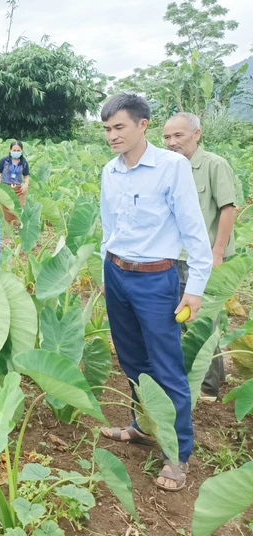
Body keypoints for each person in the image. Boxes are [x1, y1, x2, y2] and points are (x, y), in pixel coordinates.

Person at [97, 94, 212, 492]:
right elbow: (107, 226)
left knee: (166, 367)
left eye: (119, 127)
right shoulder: (110, 171)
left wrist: (194, 289)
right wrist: (104, 272)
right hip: (117, 273)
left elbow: (194, 230)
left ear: (143, 125)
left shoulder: (171, 167)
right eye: (107, 129)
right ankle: (142, 427)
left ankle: (177, 454)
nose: (112, 136)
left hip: (155, 279)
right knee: (131, 360)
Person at [164, 112, 236, 401]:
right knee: (180, 316)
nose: (171, 142)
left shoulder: (214, 165)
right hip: (173, 255)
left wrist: (216, 253)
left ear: (196, 134)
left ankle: (208, 386)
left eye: (178, 135)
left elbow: (227, 209)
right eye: (167, 137)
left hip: (202, 257)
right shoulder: (168, 166)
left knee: (204, 319)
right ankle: (191, 376)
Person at [0, 140, 30, 223]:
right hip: (6, 189)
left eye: (18, 150)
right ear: (10, 150)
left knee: (18, 211)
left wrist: (26, 184)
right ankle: (8, 233)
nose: (16, 152)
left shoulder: (23, 162)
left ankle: (15, 231)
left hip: (18, 190)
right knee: (7, 213)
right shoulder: (4, 161)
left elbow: (26, 176)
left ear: (22, 151)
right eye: (14, 150)